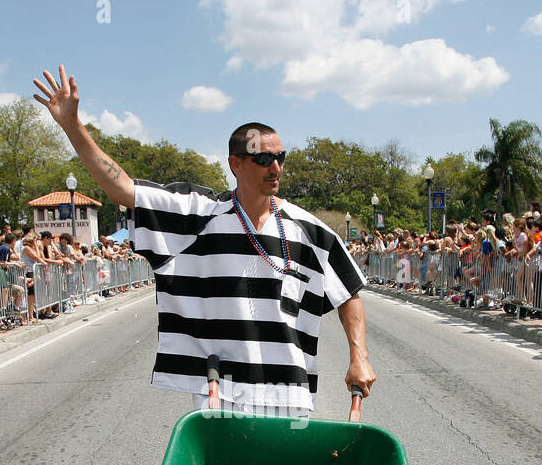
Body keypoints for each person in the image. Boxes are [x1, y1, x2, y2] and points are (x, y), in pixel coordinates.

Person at [32, 65, 375, 415]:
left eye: (280, 157)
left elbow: (348, 294)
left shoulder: (309, 231)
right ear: (235, 164)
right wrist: (72, 126)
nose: (275, 168)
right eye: (263, 158)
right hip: (222, 392)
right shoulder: (197, 215)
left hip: (289, 392)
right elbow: (123, 188)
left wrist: (359, 358)